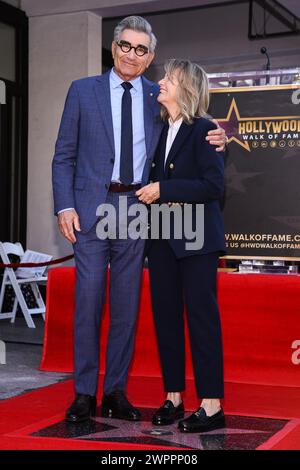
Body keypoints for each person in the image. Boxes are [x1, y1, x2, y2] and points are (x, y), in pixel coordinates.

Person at [52, 16, 227, 424]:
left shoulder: (158, 96)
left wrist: (219, 138)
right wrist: (64, 206)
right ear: (114, 48)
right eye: (125, 46)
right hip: (92, 210)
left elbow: (193, 138)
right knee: (89, 301)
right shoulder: (81, 91)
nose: (132, 54)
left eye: (141, 49)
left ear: (150, 58)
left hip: (140, 211)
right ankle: (83, 393)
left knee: (128, 308)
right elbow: (64, 155)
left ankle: (115, 390)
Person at [136, 59, 226, 433]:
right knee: (166, 319)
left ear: (185, 89)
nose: (160, 82)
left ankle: (211, 404)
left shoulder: (205, 129)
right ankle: (173, 397)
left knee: (201, 320)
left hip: (197, 241)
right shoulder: (159, 129)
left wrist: (164, 190)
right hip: (161, 241)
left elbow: (213, 187)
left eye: (167, 79)